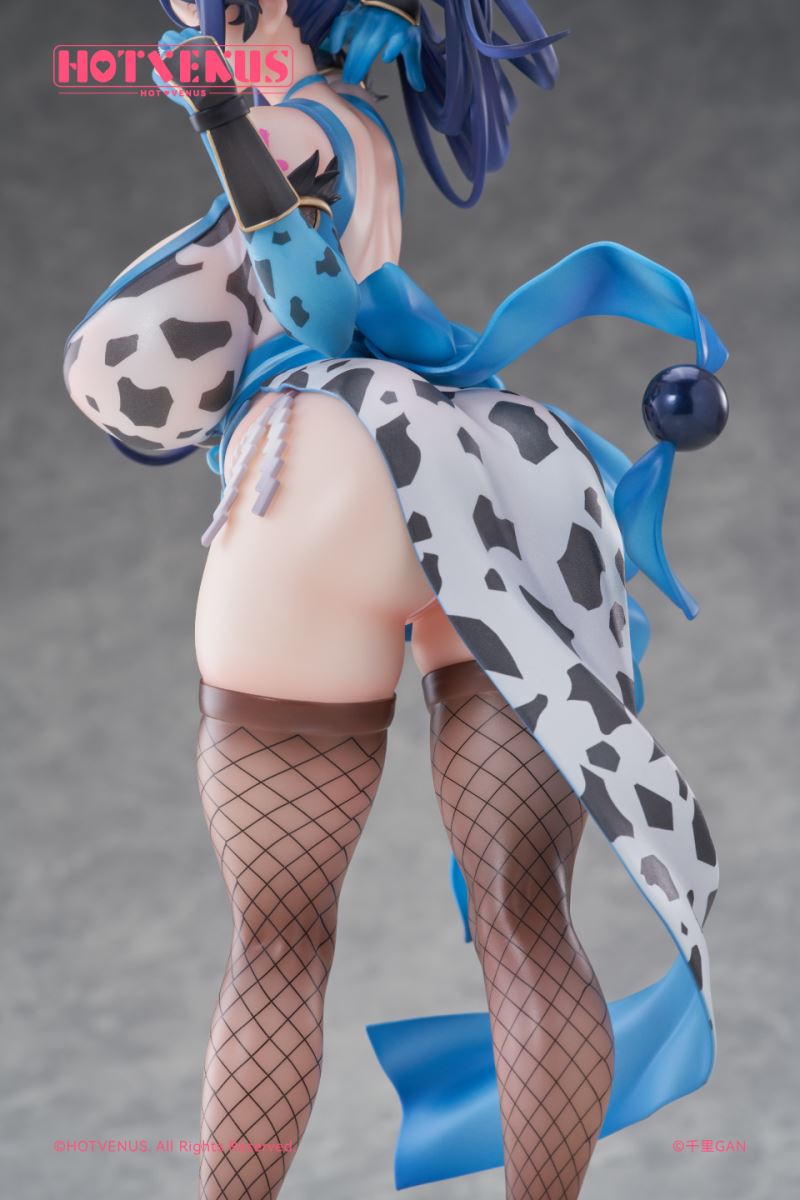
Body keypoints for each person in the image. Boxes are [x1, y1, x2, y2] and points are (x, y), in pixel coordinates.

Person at [63, 3, 729, 1197]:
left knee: (276, 939)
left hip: (327, 462)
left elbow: (313, 312)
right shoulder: (351, 121)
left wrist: (225, 126)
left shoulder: (286, 127)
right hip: (490, 472)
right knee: (529, 916)